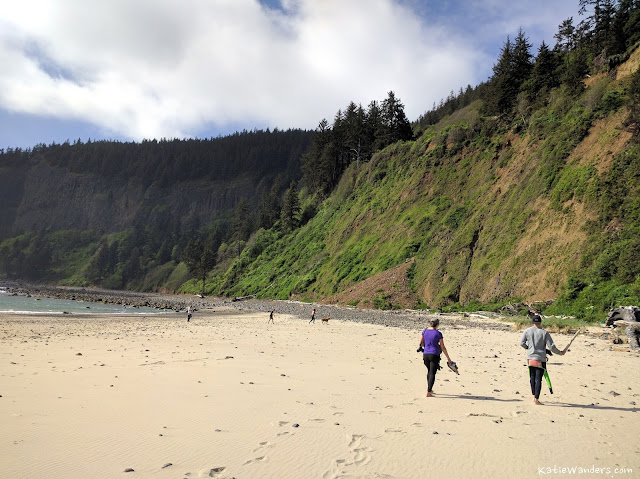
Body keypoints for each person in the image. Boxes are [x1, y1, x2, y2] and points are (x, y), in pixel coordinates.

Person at [520, 314, 564, 405]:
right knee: (538, 379)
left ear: (533, 322)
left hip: (530, 358)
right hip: (540, 359)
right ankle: (536, 399)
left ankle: (533, 397)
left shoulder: (527, 331)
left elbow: (522, 343)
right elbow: (551, 347)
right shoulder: (544, 333)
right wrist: (560, 352)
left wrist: (529, 348)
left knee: (532, 377)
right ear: (540, 322)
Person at [418, 318, 453, 397]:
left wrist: (426, 345)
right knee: (432, 373)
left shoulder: (424, 331)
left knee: (429, 371)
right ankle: (429, 392)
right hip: (434, 354)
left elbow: (420, 343)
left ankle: (429, 388)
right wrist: (448, 358)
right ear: (437, 325)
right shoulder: (438, 333)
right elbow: (442, 346)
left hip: (425, 354)